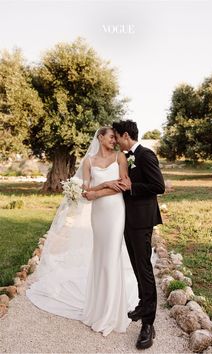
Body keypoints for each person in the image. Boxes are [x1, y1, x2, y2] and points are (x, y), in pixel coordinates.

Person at [26, 127, 139, 337]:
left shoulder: (120, 157)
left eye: (116, 137)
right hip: (99, 214)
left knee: (111, 257)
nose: (114, 140)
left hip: (115, 211)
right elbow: (86, 192)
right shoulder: (88, 161)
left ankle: (112, 311)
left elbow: (124, 184)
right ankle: (98, 308)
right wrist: (104, 184)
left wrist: (98, 192)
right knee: (100, 256)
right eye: (111, 136)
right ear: (100, 137)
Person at [112, 120, 165, 350]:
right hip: (129, 220)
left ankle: (148, 324)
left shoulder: (145, 154)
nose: (115, 141)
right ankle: (144, 305)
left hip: (142, 221)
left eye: (116, 137)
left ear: (126, 135)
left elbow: (158, 186)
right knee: (136, 266)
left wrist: (131, 188)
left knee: (144, 269)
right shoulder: (127, 156)